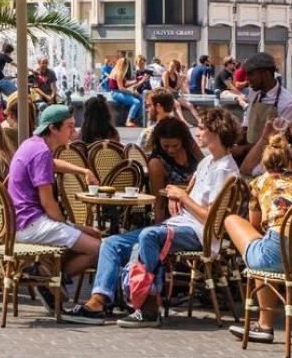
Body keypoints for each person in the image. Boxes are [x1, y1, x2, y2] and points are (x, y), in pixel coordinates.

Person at [68, 106, 241, 326]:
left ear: (215, 132)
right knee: (111, 242)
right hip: (180, 224)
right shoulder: (207, 162)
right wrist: (176, 196)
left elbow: (211, 219)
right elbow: (189, 195)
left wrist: (183, 197)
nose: (197, 132)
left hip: (198, 233)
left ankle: (148, 307)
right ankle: (98, 301)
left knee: (149, 236)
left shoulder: (224, 170)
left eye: (201, 128)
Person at [223, 129, 292, 344]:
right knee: (265, 249)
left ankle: (265, 324)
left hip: (276, 253)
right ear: (291, 163)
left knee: (236, 225)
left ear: (264, 166)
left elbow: (255, 225)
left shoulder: (258, 183)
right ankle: (272, 316)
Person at [5, 104, 101, 311]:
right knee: (100, 249)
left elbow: (53, 164)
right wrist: (74, 227)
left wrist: (82, 170)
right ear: (53, 129)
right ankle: (49, 282)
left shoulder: (33, 144)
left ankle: (47, 278)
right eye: (69, 126)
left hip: (20, 222)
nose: (74, 132)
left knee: (90, 239)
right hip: (31, 224)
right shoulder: (41, 152)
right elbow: (49, 204)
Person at [238, 52, 292, 174]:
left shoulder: (287, 103)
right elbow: (246, 125)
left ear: (266, 74)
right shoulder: (254, 93)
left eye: (251, 75)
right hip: (248, 151)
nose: (247, 79)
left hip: (268, 161)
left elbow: (278, 142)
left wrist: (243, 150)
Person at [145, 115, 201, 220]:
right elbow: (159, 203)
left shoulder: (191, 147)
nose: (171, 150)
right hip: (176, 215)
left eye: (175, 146)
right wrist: (159, 228)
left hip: (199, 207)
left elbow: (206, 166)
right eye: (166, 146)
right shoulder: (156, 163)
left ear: (182, 141)